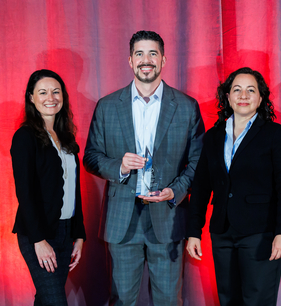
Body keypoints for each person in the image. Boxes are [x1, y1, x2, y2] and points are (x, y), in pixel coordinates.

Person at [83, 30, 205, 305]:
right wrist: (120, 167)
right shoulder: (107, 106)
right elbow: (90, 157)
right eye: (139, 54)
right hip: (121, 221)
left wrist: (175, 191)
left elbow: (198, 162)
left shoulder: (186, 107)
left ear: (163, 60)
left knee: (168, 300)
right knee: (121, 300)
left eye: (153, 53)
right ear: (129, 60)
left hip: (168, 218)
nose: (146, 60)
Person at [186, 67, 281, 306]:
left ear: (260, 98)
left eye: (250, 90)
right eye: (236, 90)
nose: (243, 95)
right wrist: (194, 231)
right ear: (227, 96)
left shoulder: (275, 134)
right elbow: (201, 186)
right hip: (222, 233)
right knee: (228, 301)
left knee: (257, 301)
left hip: (261, 233)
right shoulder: (214, 136)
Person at [11, 69, 86, 305]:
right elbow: (25, 192)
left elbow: (74, 189)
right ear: (31, 98)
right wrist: (39, 240)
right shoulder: (25, 136)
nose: (50, 97)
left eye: (56, 92)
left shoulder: (65, 137)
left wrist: (79, 235)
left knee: (45, 300)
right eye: (42, 92)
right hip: (39, 233)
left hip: (65, 233)